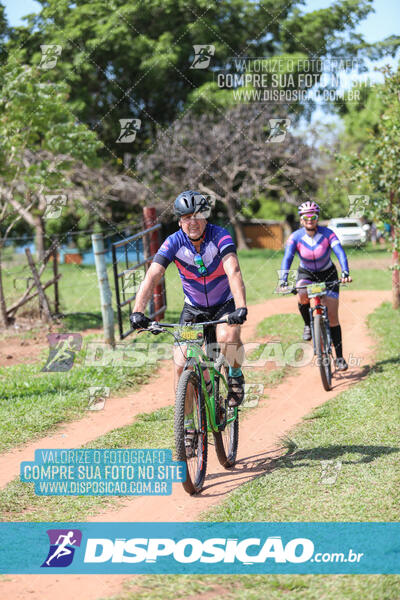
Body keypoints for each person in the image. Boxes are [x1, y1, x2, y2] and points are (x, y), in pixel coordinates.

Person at [130, 190, 248, 407]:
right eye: (186, 217)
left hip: (224, 304)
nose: (192, 222)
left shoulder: (220, 235)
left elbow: (233, 270)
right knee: (180, 362)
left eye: (197, 216)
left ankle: (235, 374)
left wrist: (240, 307)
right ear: (179, 221)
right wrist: (138, 311)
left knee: (227, 336)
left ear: (205, 216)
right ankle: (187, 428)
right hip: (194, 308)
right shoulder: (174, 242)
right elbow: (152, 275)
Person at [279, 201, 352, 371]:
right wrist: (283, 279)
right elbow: (288, 257)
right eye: (306, 217)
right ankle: (307, 324)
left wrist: (345, 272)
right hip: (307, 274)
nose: (310, 219)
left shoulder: (328, 234)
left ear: (317, 218)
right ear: (301, 219)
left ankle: (339, 357)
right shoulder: (295, 237)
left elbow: (340, 252)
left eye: (314, 216)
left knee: (333, 317)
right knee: (302, 294)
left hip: (328, 274)